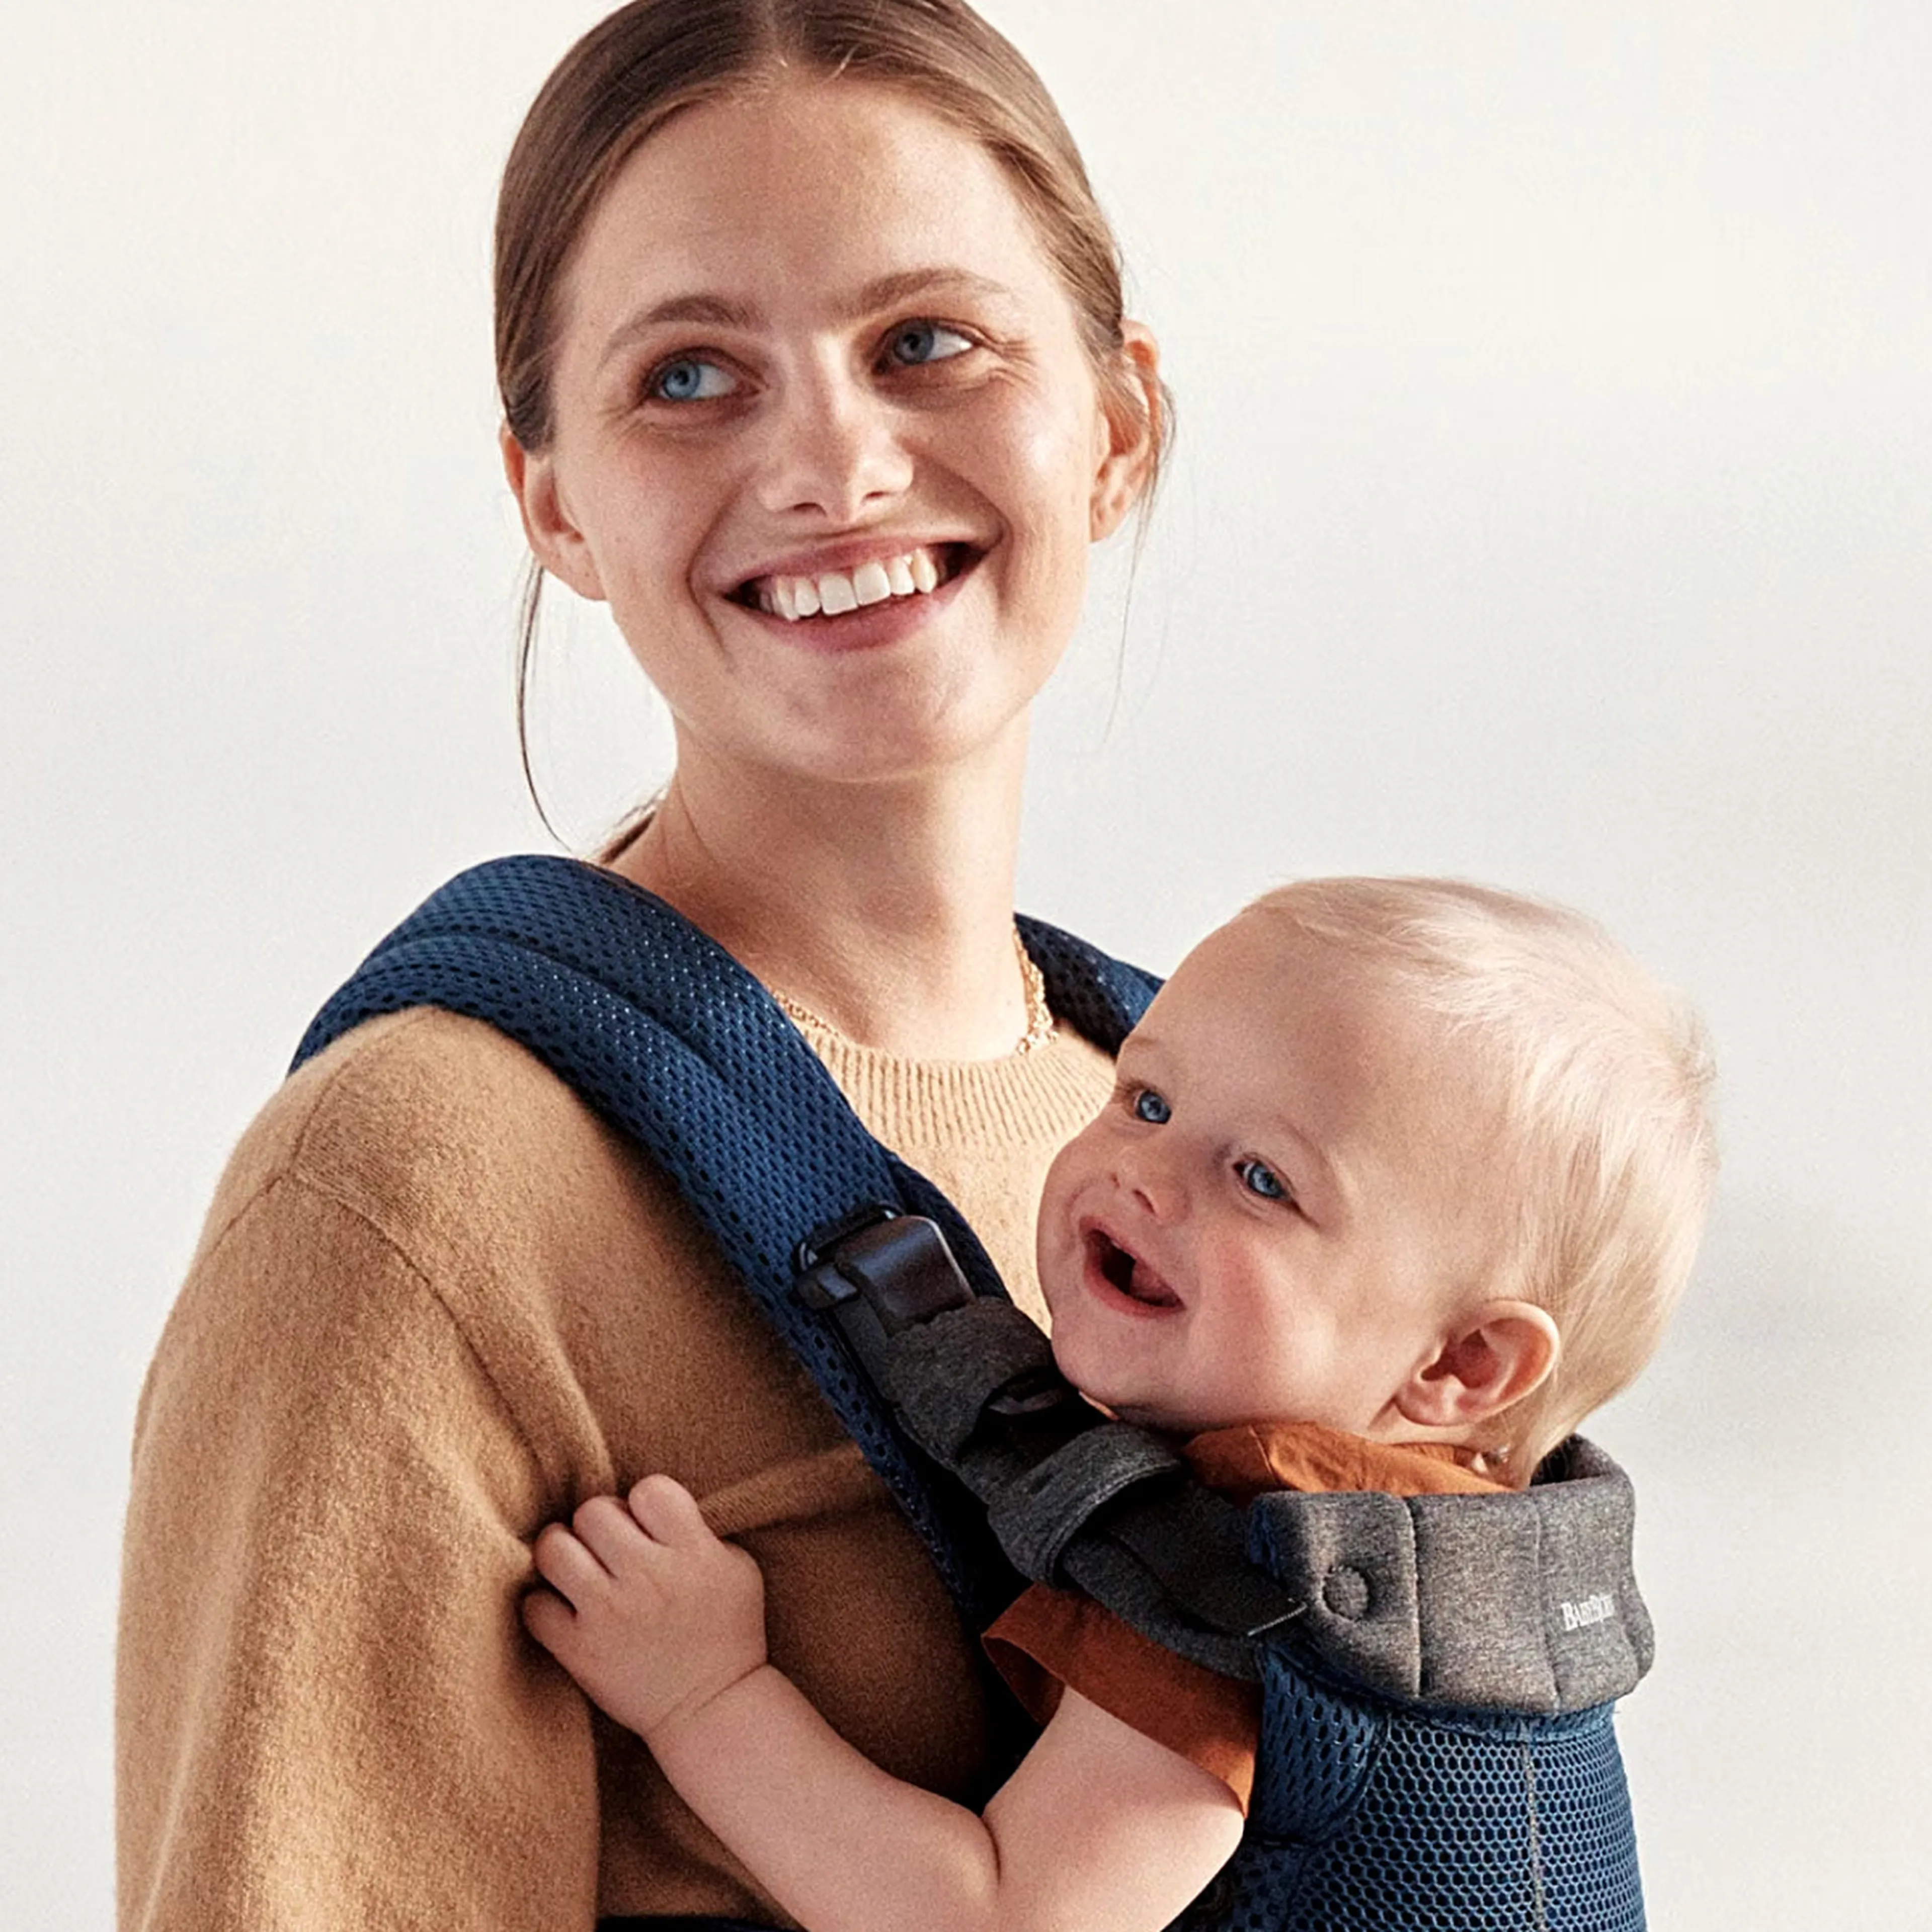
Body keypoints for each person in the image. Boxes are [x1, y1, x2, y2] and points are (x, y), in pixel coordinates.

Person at [115, 3, 1167, 1926]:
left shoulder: (1196, 1129)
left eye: (927, 342)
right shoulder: (414, 1196)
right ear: (557, 506)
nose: (836, 462)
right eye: (692, 376)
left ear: (1114, 427)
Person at [522, 876, 1717, 1932]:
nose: (1143, 1171)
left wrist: (706, 1696)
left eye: (1262, 1180)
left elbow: (992, 1921)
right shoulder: (1502, 1582)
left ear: (1459, 1365)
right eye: (1146, 1100)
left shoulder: (1254, 1581)